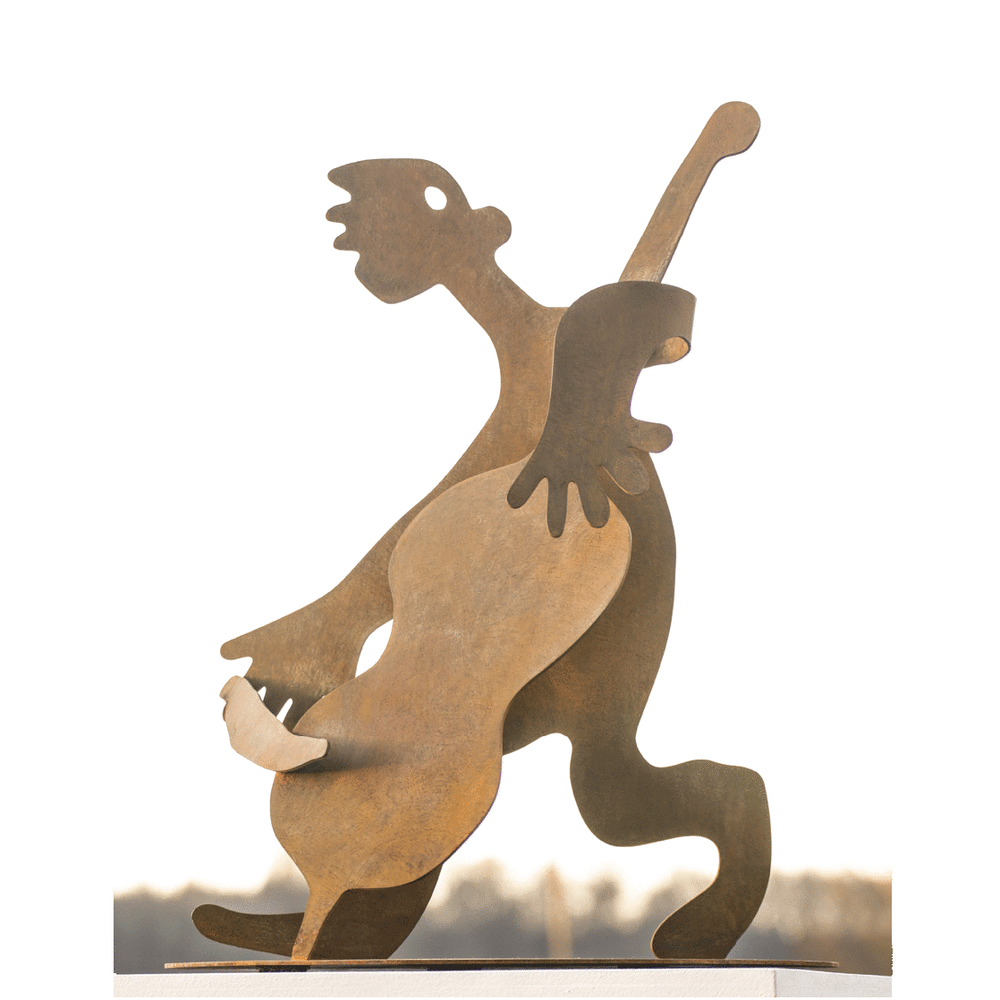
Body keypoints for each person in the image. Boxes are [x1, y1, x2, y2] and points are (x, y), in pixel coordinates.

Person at [196, 159, 770, 960]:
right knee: (428, 755)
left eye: (394, 236)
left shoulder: (570, 337)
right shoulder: (526, 358)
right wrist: (339, 615)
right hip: (531, 574)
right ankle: (353, 915)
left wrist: (588, 403)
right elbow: (452, 501)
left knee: (606, 788)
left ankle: (735, 811)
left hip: (608, 557)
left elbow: (647, 312)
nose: (379, 259)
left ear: (473, 228)